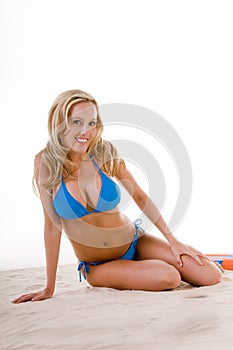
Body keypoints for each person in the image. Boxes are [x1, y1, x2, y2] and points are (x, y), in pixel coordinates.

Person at [12, 89, 222, 303]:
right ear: (60, 123)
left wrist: (173, 241)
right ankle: (158, 265)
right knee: (168, 276)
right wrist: (49, 287)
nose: (85, 131)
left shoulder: (102, 153)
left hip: (134, 241)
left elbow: (139, 196)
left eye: (91, 123)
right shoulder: (45, 163)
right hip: (99, 265)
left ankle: (204, 259)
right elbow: (51, 226)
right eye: (76, 122)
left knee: (211, 275)